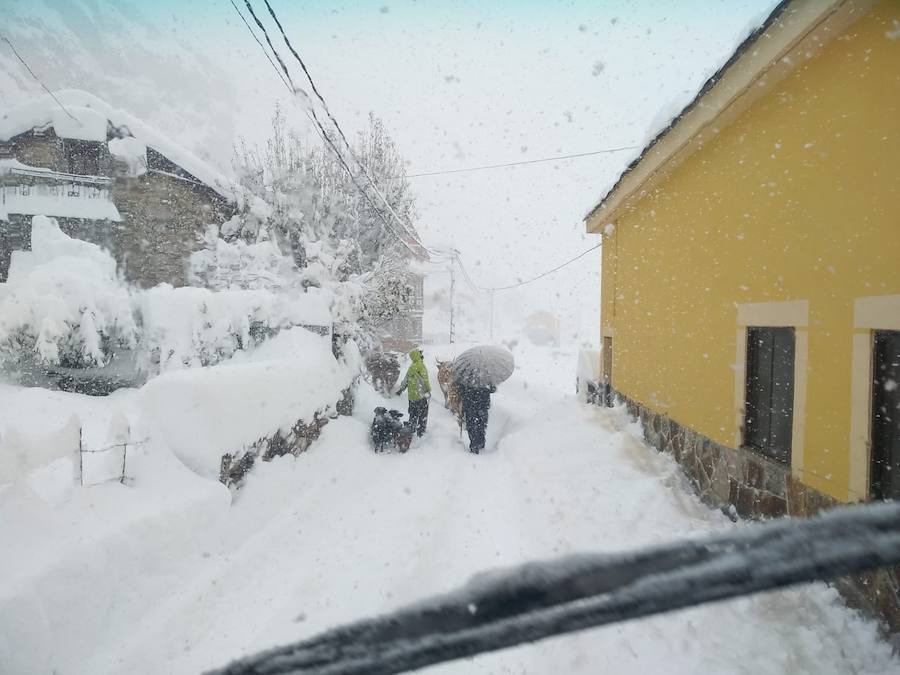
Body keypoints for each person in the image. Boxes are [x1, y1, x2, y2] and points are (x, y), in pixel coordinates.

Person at [396, 348, 431, 437]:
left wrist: (401, 390)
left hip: (412, 397)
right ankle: (421, 432)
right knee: (423, 415)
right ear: (418, 356)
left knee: (413, 414)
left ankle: (411, 430)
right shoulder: (421, 366)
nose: (421, 356)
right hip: (421, 396)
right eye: (420, 354)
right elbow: (425, 380)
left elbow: (405, 380)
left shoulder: (412, 367)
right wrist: (428, 389)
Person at [457, 381, 496, 454]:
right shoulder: (486, 374)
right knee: (481, 423)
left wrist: (462, 392)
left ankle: (474, 443)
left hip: (470, 400)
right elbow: (493, 389)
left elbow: (460, 386)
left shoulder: (467, 373)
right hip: (483, 401)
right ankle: (480, 441)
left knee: (471, 423)